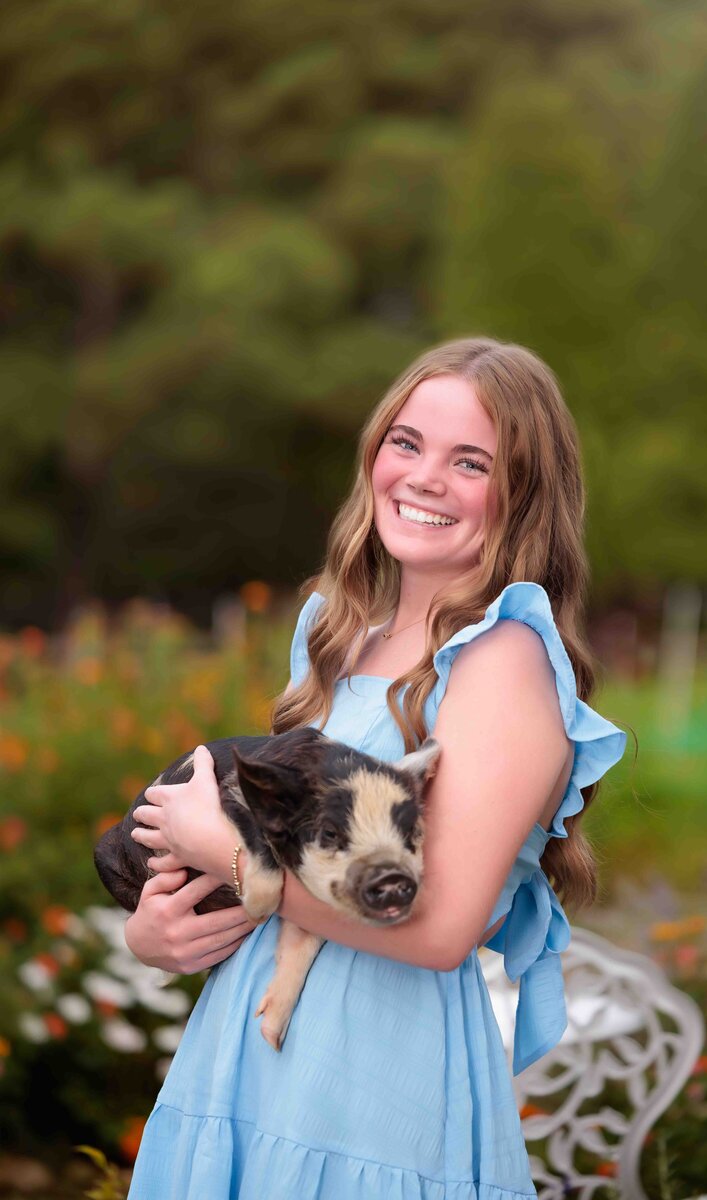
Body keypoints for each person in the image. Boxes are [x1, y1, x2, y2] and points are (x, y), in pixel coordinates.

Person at [124, 336, 627, 1198]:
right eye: (407, 443)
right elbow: (299, 862)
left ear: (526, 495)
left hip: (371, 1086)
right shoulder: (339, 634)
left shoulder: (502, 660)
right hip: (245, 1059)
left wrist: (232, 860)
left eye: (470, 462)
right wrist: (156, 932)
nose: (425, 478)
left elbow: (439, 931)